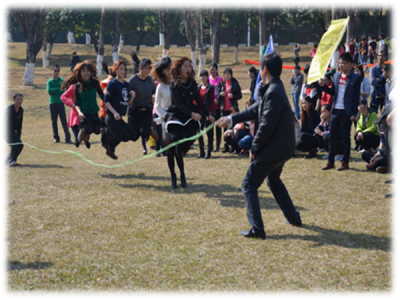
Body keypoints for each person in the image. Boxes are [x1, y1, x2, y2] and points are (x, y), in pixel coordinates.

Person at [216, 52, 302, 240]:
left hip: (275, 148)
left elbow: (266, 126)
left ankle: (258, 228)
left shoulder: (274, 92)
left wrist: (254, 149)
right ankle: (293, 217)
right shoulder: (271, 88)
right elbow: (255, 110)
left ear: (264, 69)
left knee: (249, 183)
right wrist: (231, 118)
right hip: (281, 148)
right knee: (274, 180)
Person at [164, 57, 214, 188]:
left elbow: (199, 100)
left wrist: (208, 114)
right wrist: (193, 114)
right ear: (180, 68)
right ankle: (174, 176)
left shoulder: (192, 83)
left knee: (191, 136)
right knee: (174, 143)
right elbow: (178, 104)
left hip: (190, 115)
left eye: (190, 66)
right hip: (176, 115)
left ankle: (182, 170)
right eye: (185, 66)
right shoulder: (174, 84)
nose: (188, 69)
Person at [319, 52, 361, 171]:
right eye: (339, 63)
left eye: (343, 63)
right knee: (331, 136)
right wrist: (323, 86)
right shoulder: (336, 76)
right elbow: (333, 92)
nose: (341, 65)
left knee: (345, 137)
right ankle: (330, 162)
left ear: (350, 64)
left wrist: (353, 113)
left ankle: (345, 162)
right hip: (336, 110)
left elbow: (355, 97)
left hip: (347, 111)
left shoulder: (355, 78)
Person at [61, 60, 104, 148]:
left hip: (91, 112)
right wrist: (72, 105)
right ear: (80, 73)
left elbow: (101, 96)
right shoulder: (75, 87)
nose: (86, 73)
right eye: (83, 71)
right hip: (80, 113)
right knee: (86, 131)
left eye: (87, 71)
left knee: (94, 129)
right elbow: (65, 98)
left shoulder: (94, 83)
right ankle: (80, 141)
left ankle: (85, 139)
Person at [102, 60, 136, 159]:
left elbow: (127, 102)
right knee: (124, 137)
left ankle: (110, 147)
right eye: (121, 69)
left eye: (124, 69)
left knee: (132, 135)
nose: (123, 71)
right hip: (111, 117)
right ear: (116, 70)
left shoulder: (126, 84)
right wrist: (115, 112)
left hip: (119, 117)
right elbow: (106, 102)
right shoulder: (112, 84)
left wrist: (132, 97)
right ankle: (107, 134)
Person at [128, 52, 158, 155]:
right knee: (133, 136)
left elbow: (154, 91)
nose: (148, 71)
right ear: (140, 67)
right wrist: (131, 96)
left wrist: (154, 96)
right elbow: (125, 93)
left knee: (145, 132)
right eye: (146, 68)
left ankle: (160, 141)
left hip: (146, 110)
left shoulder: (150, 80)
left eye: (149, 68)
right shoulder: (132, 80)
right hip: (134, 111)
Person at [217, 67, 242, 153]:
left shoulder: (234, 83)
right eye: (225, 74)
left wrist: (233, 96)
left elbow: (240, 95)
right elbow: (219, 98)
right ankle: (226, 146)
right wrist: (220, 95)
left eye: (228, 74)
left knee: (232, 128)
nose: (227, 75)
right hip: (224, 109)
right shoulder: (222, 84)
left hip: (232, 110)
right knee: (225, 128)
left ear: (231, 75)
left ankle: (233, 147)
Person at [47, 65, 72, 144]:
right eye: (55, 71)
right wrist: (58, 89)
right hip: (52, 103)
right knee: (54, 122)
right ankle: (56, 138)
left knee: (64, 121)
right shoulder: (49, 82)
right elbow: (49, 91)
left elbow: (64, 91)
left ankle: (67, 138)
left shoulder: (62, 80)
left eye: (58, 71)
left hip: (61, 103)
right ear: (52, 71)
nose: (56, 72)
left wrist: (56, 90)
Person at [197, 70, 215, 159]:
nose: (202, 78)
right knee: (199, 132)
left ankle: (208, 151)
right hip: (199, 113)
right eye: (201, 76)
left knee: (209, 133)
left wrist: (209, 114)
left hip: (208, 113)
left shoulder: (210, 88)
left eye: (204, 76)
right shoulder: (198, 87)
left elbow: (212, 102)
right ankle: (201, 151)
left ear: (207, 77)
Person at [209, 63, 224, 152]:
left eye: (214, 69)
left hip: (218, 106)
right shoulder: (208, 79)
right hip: (210, 107)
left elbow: (223, 91)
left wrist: (218, 99)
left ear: (217, 70)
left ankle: (217, 146)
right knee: (210, 126)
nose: (212, 71)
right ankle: (210, 144)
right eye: (211, 69)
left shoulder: (220, 80)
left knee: (218, 126)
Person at [6, 92, 24, 167]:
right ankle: (12, 161)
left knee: (19, 145)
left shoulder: (21, 110)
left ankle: (8, 160)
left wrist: (18, 135)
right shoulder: (9, 109)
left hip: (12, 131)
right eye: (18, 99)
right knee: (16, 144)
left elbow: (20, 124)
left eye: (21, 100)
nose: (20, 101)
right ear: (14, 100)